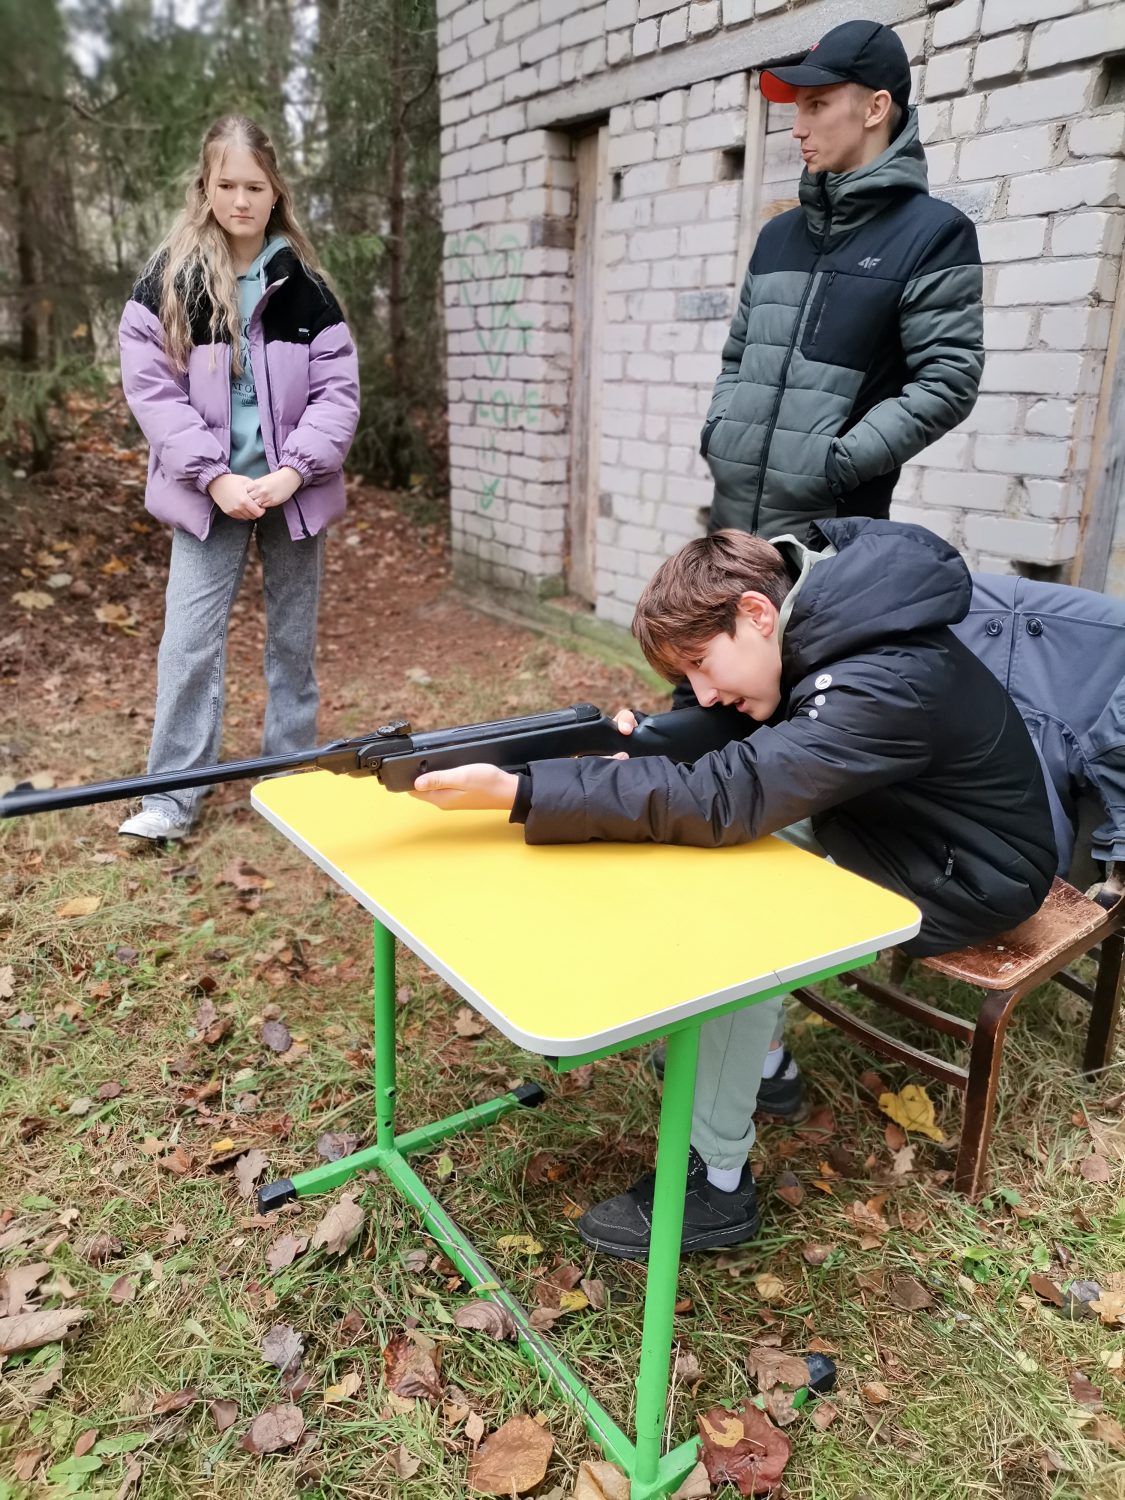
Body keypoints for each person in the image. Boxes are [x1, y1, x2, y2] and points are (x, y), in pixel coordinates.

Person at [409, 518, 1057, 1259]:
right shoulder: (819, 614)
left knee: (741, 920)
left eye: (700, 665)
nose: (703, 692)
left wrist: (523, 791)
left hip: (967, 873)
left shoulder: (884, 681)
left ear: (755, 613)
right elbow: (739, 740)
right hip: (891, 822)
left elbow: (730, 794)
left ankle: (715, 1184)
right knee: (704, 858)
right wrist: (640, 749)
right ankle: (764, 1064)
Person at [116, 115, 359, 841]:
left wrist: (293, 472)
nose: (241, 200)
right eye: (227, 185)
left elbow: (337, 394)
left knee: (292, 642)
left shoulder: (307, 290)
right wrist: (214, 476)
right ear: (206, 186)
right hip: (207, 496)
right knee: (188, 644)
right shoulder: (168, 282)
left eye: (255, 186)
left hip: (291, 495)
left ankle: (289, 781)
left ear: (276, 190)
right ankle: (171, 798)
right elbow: (152, 393)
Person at [701, 18, 984, 540]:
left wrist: (836, 464)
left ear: (875, 108)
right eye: (797, 109)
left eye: (816, 105)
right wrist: (720, 434)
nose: (797, 128)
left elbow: (948, 380)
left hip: (829, 535)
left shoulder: (933, 235)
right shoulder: (778, 235)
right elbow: (737, 358)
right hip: (732, 528)